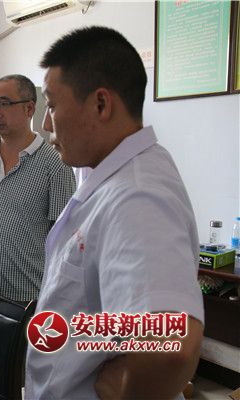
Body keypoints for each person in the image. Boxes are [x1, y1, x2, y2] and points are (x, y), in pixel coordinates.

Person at [25, 26, 204, 399]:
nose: (45, 125)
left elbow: (173, 343)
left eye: (52, 106)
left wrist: (129, 392)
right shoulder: (111, 171)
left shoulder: (136, 195)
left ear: (101, 105)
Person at [0, 74, 76, 303]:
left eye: (4, 104)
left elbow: (64, 239)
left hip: (27, 295)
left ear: (29, 108)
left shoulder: (56, 165)